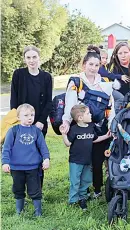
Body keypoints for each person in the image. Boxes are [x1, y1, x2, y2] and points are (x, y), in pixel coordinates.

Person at [60, 45, 115, 199]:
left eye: (97, 65)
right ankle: (78, 191)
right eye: (90, 64)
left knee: (97, 161)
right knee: (82, 161)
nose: (93, 68)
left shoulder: (105, 82)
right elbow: (70, 105)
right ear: (84, 65)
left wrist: (111, 122)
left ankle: (97, 189)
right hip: (81, 127)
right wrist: (66, 122)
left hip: (99, 126)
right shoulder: (76, 82)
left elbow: (110, 106)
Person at [10, 45, 53, 188]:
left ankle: (37, 188)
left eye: (34, 57)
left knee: (38, 153)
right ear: (24, 59)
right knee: (21, 153)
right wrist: (17, 120)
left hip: (39, 123)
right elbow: (14, 99)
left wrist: (41, 121)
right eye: (28, 57)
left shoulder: (46, 77)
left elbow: (48, 102)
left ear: (39, 58)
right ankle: (21, 186)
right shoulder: (18, 75)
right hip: (21, 122)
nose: (32, 60)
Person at [2, 104, 50, 216]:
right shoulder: (13, 131)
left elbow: (43, 146)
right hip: (16, 168)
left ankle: (38, 211)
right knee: (18, 189)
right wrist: (5, 162)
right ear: (18, 117)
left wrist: (46, 159)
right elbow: (6, 148)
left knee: (35, 190)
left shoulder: (36, 131)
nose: (30, 118)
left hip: (33, 167)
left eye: (32, 115)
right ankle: (19, 210)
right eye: (26, 115)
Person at [60, 105, 111, 210]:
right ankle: (73, 200)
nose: (91, 115)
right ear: (80, 118)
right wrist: (64, 134)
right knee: (75, 181)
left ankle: (83, 197)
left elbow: (94, 139)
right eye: (88, 113)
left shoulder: (91, 127)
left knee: (86, 180)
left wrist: (106, 136)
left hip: (87, 160)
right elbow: (68, 143)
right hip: (75, 161)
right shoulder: (74, 129)